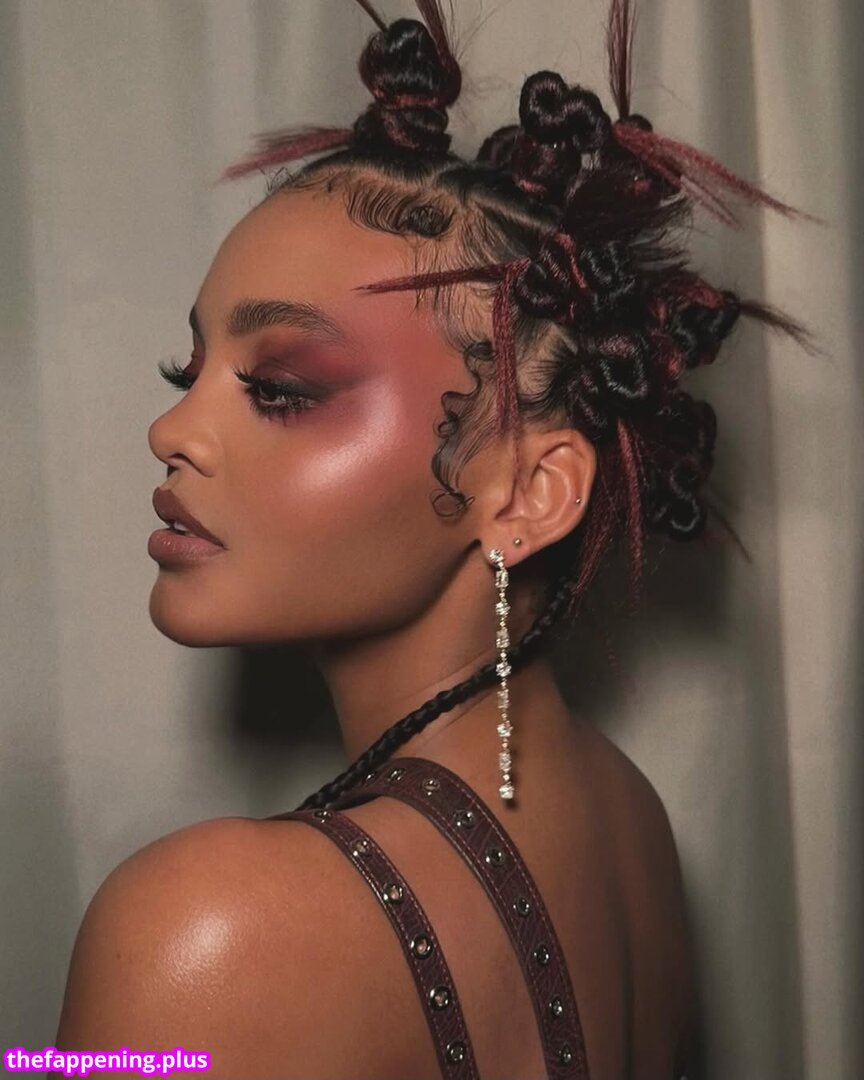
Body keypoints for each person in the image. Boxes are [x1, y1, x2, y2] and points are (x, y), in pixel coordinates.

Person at [52, 1, 806, 1077]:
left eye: (280, 387)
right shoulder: (628, 817)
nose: (171, 430)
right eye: (191, 371)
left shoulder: (201, 935)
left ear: (530, 493)